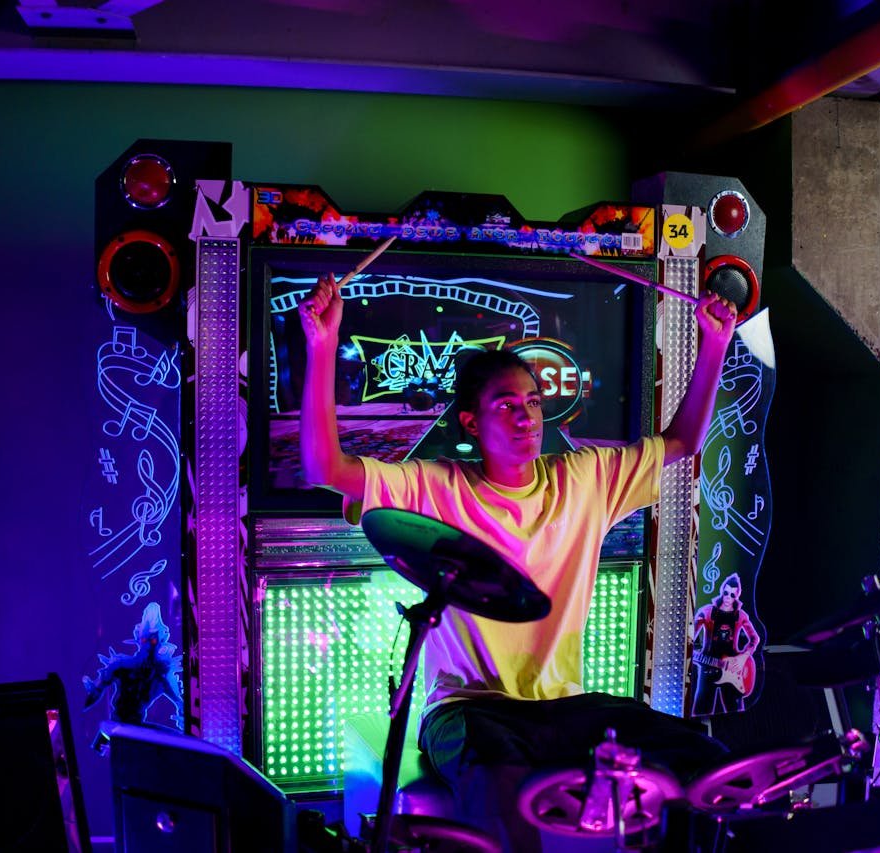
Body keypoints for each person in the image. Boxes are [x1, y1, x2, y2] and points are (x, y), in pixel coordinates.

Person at [299, 270, 738, 849]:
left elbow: (682, 442)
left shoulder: (585, 479)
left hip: (564, 708)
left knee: (707, 761)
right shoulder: (435, 486)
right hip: (467, 711)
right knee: (502, 790)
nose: (526, 416)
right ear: (471, 422)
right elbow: (324, 467)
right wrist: (323, 345)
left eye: (532, 401)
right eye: (506, 405)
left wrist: (715, 345)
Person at [691, 573, 761, 716]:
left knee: (735, 714)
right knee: (700, 712)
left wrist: (743, 657)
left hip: (733, 670)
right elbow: (690, 635)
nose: (728, 597)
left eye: (732, 595)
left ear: (737, 596)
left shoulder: (740, 616)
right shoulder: (707, 612)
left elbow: (755, 638)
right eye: (726, 593)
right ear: (722, 591)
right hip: (708, 667)